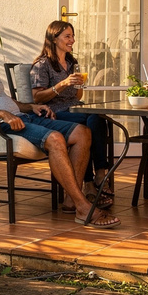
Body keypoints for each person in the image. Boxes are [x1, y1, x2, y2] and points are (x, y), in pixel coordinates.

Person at [0, 23, 119, 228]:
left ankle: (69, 200)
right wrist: (3, 113)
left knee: (82, 132)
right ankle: (83, 207)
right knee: (55, 138)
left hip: (22, 117)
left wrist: (32, 106)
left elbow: (10, 103)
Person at [29, 21, 112, 211]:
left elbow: (77, 97)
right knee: (93, 120)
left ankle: (93, 180)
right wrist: (63, 84)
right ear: (53, 38)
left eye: (72, 36)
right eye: (67, 36)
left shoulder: (72, 62)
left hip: (74, 109)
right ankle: (97, 177)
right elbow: (38, 96)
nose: (72, 40)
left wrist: (79, 86)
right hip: (54, 114)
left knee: (98, 118)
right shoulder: (42, 65)